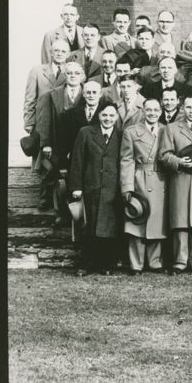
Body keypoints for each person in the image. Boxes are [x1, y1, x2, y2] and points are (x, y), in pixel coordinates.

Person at [158, 93, 192, 274]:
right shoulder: (171, 128)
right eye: (188, 107)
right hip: (180, 179)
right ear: (183, 108)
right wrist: (179, 162)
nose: (191, 111)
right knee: (180, 221)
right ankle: (180, 261)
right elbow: (164, 155)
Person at [68, 101, 123, 276]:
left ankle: (106, 264)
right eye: (104, 115)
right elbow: (76, 161)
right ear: (98, 116)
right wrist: (75, 186)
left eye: (112, 115)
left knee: (108, 229)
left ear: (116, 117)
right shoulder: (85, 132)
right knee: (89, 228)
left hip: (112, 190)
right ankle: (85, 264)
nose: (108, 118)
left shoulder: (121, 135)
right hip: (90, 187)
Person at [120, 96, 168, 274]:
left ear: (161, 112)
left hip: (161, 179)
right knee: (136, 220)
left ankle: (155, 261)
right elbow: (126, 160)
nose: (152, 113)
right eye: (149, 110)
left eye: (156, 110)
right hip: (139, 178)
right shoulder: (131, 131)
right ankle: (136, 264)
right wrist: (127, 186)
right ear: (143, 111)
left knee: (157, 221)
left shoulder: (166, 130)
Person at [33, 60, 86, 210]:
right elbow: (45, 120)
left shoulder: (89, 92)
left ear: (82, 76)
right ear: (65, 75)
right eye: (69, 73)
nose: (73, 76)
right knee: (52, 170)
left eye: (77, 73)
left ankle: (75, 207)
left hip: (80, 141)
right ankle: (50, 202)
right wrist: (46, 143)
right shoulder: (53, 94)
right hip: (58, 141)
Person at [23, 39, 70, 137]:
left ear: (68, 54)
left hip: (64, 122)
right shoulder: (37, 71)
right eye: (56, 51)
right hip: (42, 121)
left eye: (63, 51)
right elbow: (29, 99)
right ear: (51, 53)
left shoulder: (72, 72)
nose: (59, 54)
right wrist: (29, 123)